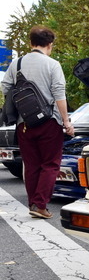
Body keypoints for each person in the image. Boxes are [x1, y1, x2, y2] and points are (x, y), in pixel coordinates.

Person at [1, 26, 74, 219]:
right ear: (49, 44)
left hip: (23, 123)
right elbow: (59, 95)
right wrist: (66, 121)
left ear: (31, 43)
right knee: (50, 164)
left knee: (31, 165)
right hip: (49, 122)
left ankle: (33, 203)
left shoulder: (16, 64)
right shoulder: (52, 65)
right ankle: (40, 205)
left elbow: (5, 87)